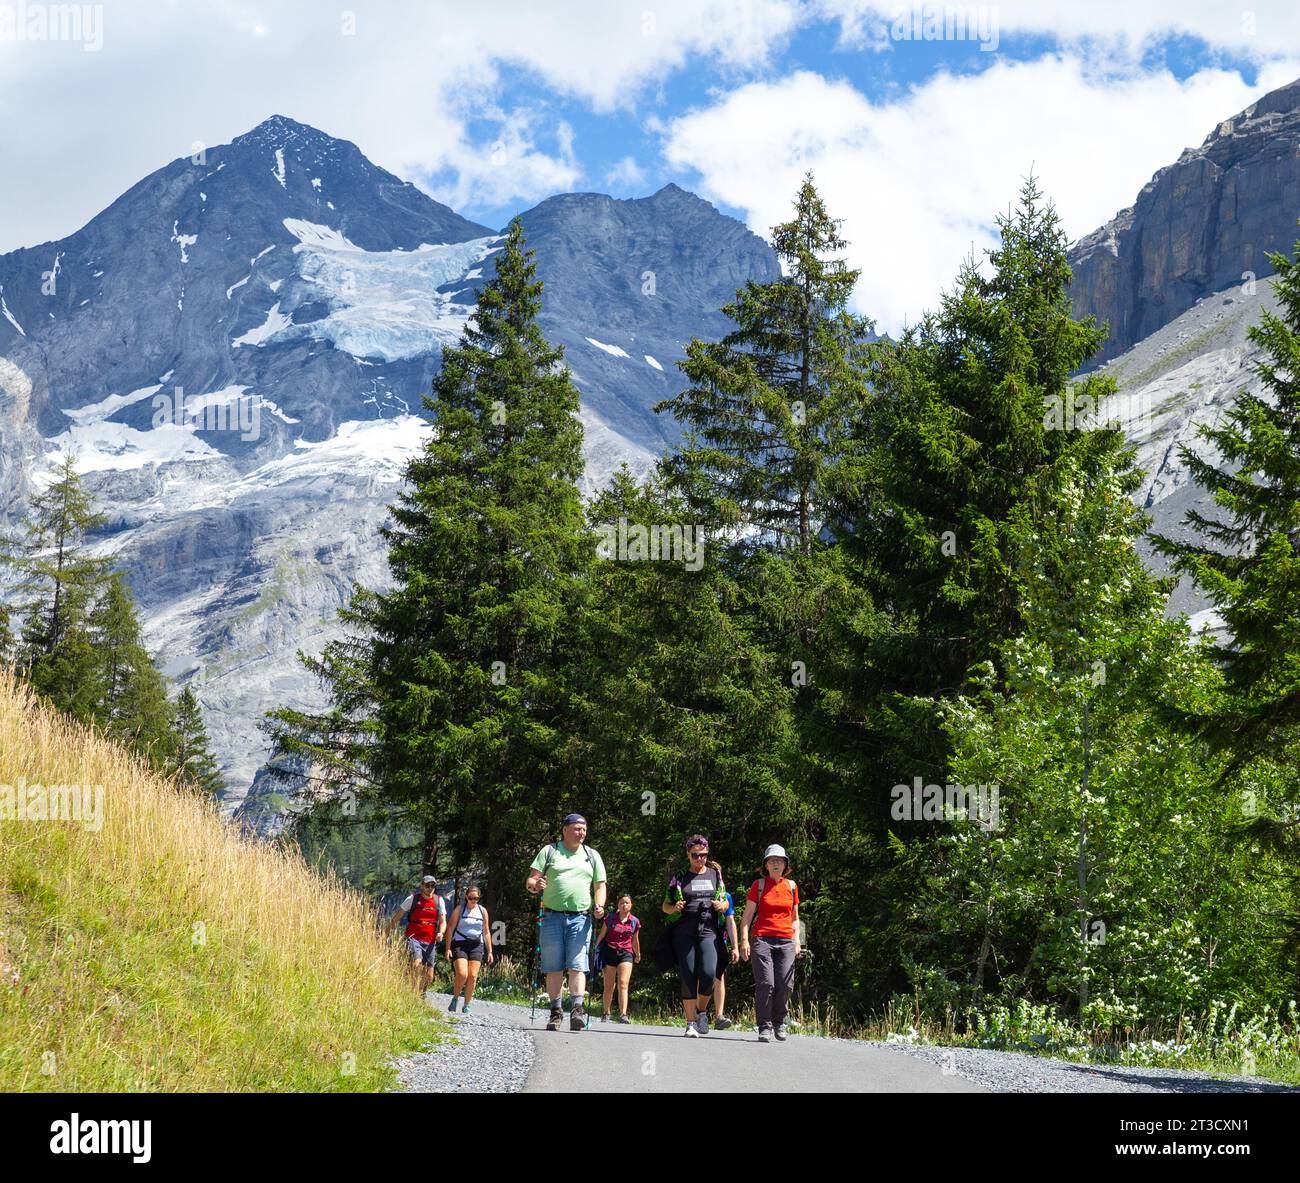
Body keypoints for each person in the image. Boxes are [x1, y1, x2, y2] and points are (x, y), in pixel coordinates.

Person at [525, 813, 607, 1031]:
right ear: (565, 830)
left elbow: (600, 885)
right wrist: (536, 885)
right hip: (551, 915)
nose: (581, 833)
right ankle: (556, 1012)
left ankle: (577, 1010)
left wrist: (599, 905)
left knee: (577, 964)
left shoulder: (591, 855)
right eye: (577, 828)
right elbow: (531, 881)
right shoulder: (549, 851)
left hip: (581, 916)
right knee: (554, 967)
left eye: (584, 829)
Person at [662, 835, 728, 1037]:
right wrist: (675, 907)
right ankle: (690, 1022)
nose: (700, 859)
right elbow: (665, 906)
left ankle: (701, 1012)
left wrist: (721, 905)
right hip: (684, 930)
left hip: (708, 929)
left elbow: (725, 902)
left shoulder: (714, 873)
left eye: (704, 855)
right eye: (695, 855)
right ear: (688, 854)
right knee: (688, 973)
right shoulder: (680, 876)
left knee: (709, 973)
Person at [739, 844, 801, 1042]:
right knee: (766, 984)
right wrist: (744, 941)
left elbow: (795, 918)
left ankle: (779, 1022)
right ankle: (764, 1026)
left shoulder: (791, 886)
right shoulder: (758, 886)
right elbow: (747, 916)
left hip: (786, 941)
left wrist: (798, 940)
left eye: (780, 860)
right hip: (762, 939)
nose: (776, 863)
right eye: (772, 860)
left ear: (785, 865)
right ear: (765, 865)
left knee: (785, 984)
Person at [386, 875, 448, 995]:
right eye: (427, 885)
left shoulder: (438, 900)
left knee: (429, 976)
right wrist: (386, 933)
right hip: (413, 937)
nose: (430, 888)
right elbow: (397, 917)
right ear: (422, 886)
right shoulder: (412, 899)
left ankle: (420, 994)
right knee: (417, 962)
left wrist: (441, 932)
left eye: (432, 886)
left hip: (430, 940)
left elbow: (443, 921)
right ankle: (412, 992)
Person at [445, 886, 493, 1014]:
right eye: (471, 898)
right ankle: (455, 998)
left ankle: (467, 1004)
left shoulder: (482, 911)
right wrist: (448, 948)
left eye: (476, 898)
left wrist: (490, 952)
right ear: (466, 897)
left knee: (472, 975)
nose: (473, 900)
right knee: (462, 974)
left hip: (477, 945)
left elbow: (486, 932)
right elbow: (450, 929)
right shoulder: (460, 910)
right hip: (460, 944)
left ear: (479, 898)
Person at [595, 894, 640, 1022]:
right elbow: (602, 934)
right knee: (609, 985)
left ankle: (623, 1014)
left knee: (623, 984)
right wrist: (595, 949)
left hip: (626, 953)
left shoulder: (634, 921)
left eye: (627, 903)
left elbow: (635, 941)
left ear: (631, 905)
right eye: (621, 903)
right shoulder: (610, 918)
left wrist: (638, 954)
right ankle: (606, 1012)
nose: (624, 905)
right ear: (618, 905)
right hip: (610, 952)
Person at [708, 866, 739, 1031]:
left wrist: (735, 947)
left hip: (719, 940)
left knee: (719, 977)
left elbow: (730, 922)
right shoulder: (695, 892)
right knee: (702, 976)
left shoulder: (725, 896)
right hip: (699, 938)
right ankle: (698, 1014)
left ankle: (719, 1016)